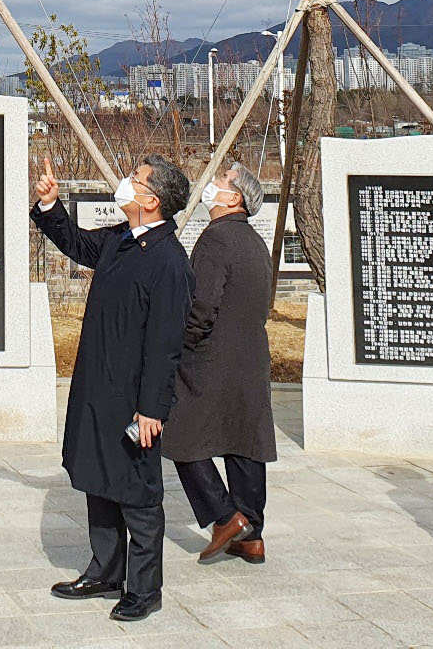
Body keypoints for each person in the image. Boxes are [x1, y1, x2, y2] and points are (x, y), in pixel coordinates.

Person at [32, 154, 193, 623]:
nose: (126, 183)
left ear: (151, 200)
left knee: (138, 493)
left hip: (134, 400)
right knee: (97, 479)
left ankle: (145, 589)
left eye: (135, 180)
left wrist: (151, 410)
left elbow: (166, 346)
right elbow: (80, 245)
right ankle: (105, 570)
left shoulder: (169, 261)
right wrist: (50, 207)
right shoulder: (123, 239)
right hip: (97, 387)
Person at [163, 161, 277, 564]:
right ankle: (253, 535)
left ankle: (225, 517)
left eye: (221, 180)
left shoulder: (215, 240)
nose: (211, 184)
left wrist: (180, 345)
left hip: (210, 359)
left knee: (178, 433)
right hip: (250, 358)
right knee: (245, 443)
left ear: (234, 198)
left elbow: (202, 305)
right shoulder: (254, 241)